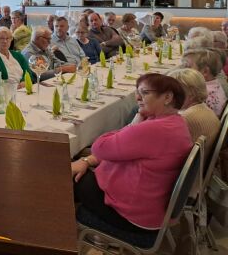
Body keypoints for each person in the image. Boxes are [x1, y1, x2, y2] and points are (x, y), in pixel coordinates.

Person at [71, 74, 191, 242]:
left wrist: (134, 123)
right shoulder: (176, 122)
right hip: (153, 210)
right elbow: (115, 152)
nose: (137, 97)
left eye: (145, 92)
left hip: (133, 217)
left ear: (168, 97)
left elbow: (100, 148)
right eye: (137, 92)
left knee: (66, 178)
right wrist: (86, 161)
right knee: (77, 171)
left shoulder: (153, 129)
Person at [168, 68, 220, 148]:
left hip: (194, 159)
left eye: (174, 92)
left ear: (191, 94)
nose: (169, 97)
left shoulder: (186, 118)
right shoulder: (203, 107)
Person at [181, 49, 227, 117]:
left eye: (188, 66)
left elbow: (188, 115)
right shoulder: (214, 84)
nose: (182, 69)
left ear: (205, 71)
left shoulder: (202, 93)